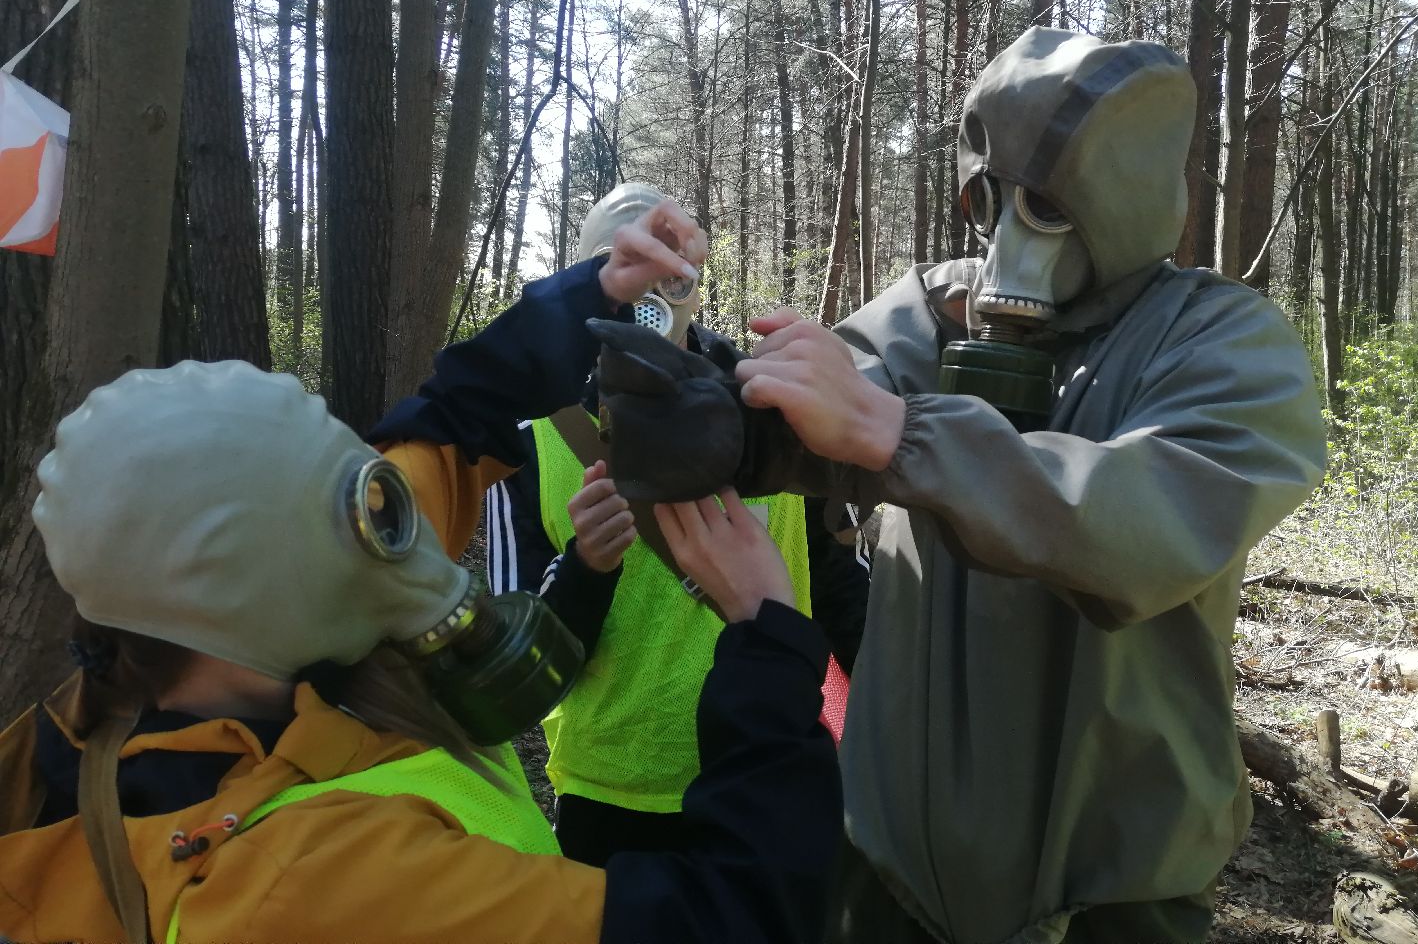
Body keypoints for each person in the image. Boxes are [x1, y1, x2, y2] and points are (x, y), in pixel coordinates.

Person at [599, 29, 1329, 942]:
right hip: (890, 872)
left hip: (1107, 899)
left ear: (1126, 198)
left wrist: (903, 434)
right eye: (995, 198)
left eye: (1052, 205)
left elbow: (1150, 522)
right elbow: (816, 421)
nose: (1013, 234)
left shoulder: (1221, 343)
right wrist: (702, 405)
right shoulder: (934, 312)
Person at [0, 213, 842, 944]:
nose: (394, 527)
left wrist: (599, 290)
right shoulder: (314, 883)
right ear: (253, 587)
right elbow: (733, 921)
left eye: (370, 488)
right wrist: (765, 633)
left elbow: (449, 421)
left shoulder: (241, 611)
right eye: (360, 509)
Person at [482, 182, 870, 866]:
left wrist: (902, 719)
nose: (645, 285)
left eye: (667, 264)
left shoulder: (768, 407)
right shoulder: (530, 437)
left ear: (692, 277)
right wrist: (584, 570)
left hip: (772, 764)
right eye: (621, 262)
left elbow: (840, 586)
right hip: (612, 797)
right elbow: (509, 670)